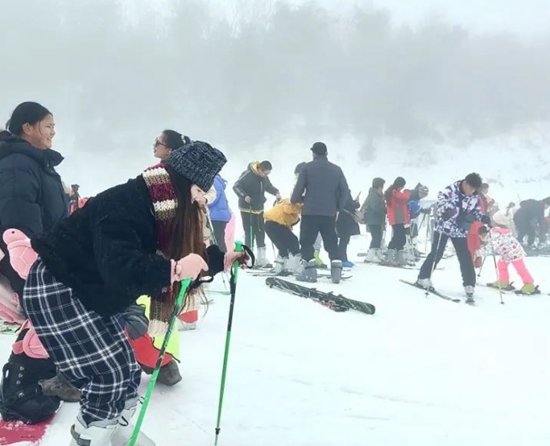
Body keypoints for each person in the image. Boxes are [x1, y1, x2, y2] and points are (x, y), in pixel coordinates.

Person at [21, 141, 243, 444]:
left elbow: (180, 252)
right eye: (201, 190)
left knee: (125, 368)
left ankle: (119, 434)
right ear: (184, 182)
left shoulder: (162, 207)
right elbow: (120, 268)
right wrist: (174, 270)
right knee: (106, 373)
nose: (203, 200)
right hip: (60, 285)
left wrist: (219, 260)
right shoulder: (126, 203)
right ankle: (91, 437)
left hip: (90, 290)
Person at [0, 102, 78, 423]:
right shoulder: (18, 163)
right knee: (47, 318)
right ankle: (18, 394)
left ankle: (40, 379)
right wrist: (29, 260)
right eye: (47, 125)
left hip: (42, 253)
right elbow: (16, 215)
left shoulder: (39, 164)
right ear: (27, 127)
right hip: (22, 253)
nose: (53, 132)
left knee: (47, 319)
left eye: (53, 126)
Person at [415, 173, 491, 302]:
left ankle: (469, 284)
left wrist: (482, 217)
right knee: (437, 253)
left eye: (474, 190)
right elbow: (441, 206)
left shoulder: (475, 196)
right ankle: (423, 277)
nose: (472, 192)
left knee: (465, 256)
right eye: (471, 188)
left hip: (460, 229)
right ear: (465, 183)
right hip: (443, 227)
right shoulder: (450, 190)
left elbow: (476, 211)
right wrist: (449, 212)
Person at [291, 142, 349, 283]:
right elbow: (345, 190)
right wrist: (338, 207)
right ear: (326, 154)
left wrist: (296, 199)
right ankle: (336, 271)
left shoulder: (307, 168)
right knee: (331, 241)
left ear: (313, 153)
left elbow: (299, 188)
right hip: (329, 213)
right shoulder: (337, 169)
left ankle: (309, 272)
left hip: (310, 211)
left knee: (306, 241)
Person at [233, 160, 281, 267]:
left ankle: (261, 258)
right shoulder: (248, 175)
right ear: (260, 169)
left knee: (260, 231)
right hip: (247, 208)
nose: (266, 175)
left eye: (268, 174)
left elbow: (269, 187)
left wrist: (276, 193)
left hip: (259, 208)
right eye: (265, 173)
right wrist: (244, 196)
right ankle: (248, 257)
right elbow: (236, 186)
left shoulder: (264, 178)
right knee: (250, 232)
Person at [477, 225, 538, 295]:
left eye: (480, 236)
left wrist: (478, 253)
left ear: (483, 234)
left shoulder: (495, 236)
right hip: (506, 253)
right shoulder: (494, 234)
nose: (481, 238)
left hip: (514, 252)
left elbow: (491, 248)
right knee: (501, 265)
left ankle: (529, 284)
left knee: (520, 268)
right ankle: (503, 281)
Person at [264, 198, 303, 274]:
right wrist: (299, 207)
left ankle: (280, 266)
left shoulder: (290, 203)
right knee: (294, 241)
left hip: (269, 224)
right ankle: (294, 266)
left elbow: (286, 218)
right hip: (274, 223)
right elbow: (287, 209)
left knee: (283, 246)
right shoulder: (291, 202)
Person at [383, 177, 411, 266]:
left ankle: (399, 257)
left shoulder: (393, 191)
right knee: (397, 237)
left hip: (399, 218)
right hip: (396, 218)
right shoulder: (394, 192)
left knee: (401, 238)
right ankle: (389, 257)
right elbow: (404, 197)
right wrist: (407, 191)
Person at [361, 177, 387, 263]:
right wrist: (384, 209)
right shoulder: (373, 195)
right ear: (379, 186)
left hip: (376, 219)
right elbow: (375, 207)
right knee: (376, 237)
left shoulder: (377, 194)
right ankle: (370, 256)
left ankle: (377, 253)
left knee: (378, 237)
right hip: (373, 220)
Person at [336, 190, 361, 268]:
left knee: (344, 240)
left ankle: (342, 258)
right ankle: (342, 259)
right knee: (344, 240)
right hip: (345, 219)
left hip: (341, 218)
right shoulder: (344, 192)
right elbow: (349, 204)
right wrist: (356, 203)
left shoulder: (338, 192)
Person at [208, 175, 231, 251]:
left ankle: (222, 259)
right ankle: (222, 259)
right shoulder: (217, 181)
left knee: (217, 240)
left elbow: (213, 199)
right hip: (221, 216)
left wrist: (202, 200)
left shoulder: (214, 182)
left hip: (217, 216)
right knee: (218, 239)